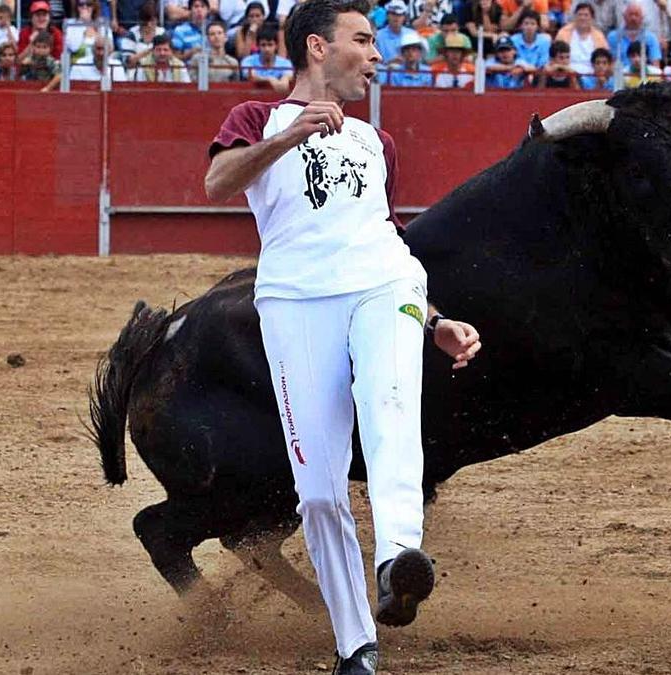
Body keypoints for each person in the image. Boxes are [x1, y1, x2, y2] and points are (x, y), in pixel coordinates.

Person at [205, 1, 481, 672]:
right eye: (363, 39)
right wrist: (288, 136)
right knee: (319, 491)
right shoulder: (256, 118)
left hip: (383, 288)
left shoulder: (373, 143)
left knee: (389, 406)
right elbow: (217, 182)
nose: (377, 53)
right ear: (318, 49)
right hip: (296, 300)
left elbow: (386, 238)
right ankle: (356, 643)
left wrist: (436, 319)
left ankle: (397, 557)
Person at [555, 1, 609, 74]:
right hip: (568, 74)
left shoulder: (599, 35)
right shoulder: (564, 32)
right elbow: (556, 57)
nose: (582, 18)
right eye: (579, 15)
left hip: (592, 75)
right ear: (575, 16)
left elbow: (605, 59)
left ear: (592, 18)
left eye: (586, 15)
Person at [607, 2, 660, 68]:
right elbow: (609, 63)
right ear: (624, 17)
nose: (633, 18)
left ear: (642, 18)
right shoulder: (613, 36)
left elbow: (655, 65)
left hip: (643, 75)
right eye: (630, 14)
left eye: (636, 15)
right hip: (620, 75)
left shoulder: (651, 38)